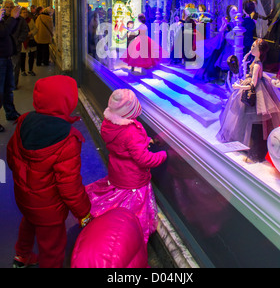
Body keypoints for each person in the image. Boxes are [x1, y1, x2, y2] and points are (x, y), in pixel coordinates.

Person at [7, 75, 91, 268]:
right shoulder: (68, 139)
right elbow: (69, 186)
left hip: (25, 198)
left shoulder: (23, 122)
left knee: (28, 223)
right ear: (67, 102)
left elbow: (11, 157)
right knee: (52, 248)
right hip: (49, 209)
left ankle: (22, 256)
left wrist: (25, 183)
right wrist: (83, 213)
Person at [86, 89, 167, 244]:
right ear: (130, 112)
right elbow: (143, 159)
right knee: (132, 210)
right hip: (133, 179)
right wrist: (162, 155)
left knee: (118, 197)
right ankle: (127, 232)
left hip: (117, 170)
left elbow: (125, 146)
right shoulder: (130, 131)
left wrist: (145, 141)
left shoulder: (109, 123)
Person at [217, 39, 280, 162]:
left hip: (256, 92)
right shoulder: (255, 61)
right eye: (252, 45)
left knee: (253, 120)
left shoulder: (257, 64)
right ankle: (248, 145)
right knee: (247, 120)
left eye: (254, 46)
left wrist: (239, 87)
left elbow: (253, 84)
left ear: (260, 51)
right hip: (254, 85)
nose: (252, 48)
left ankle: (255, 150)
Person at [0, 5, 21, 131]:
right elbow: (3, 33)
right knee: (0, 90)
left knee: (8, 87)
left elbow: (9, 31)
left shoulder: (3, 20)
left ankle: (10, 112)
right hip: (0, 60)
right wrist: (12, 18)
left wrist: (14, 18)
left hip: (5, 58)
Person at [3, 1, 29, 89]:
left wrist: (18, 40)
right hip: (3, 48)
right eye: (7, 7)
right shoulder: (2, 19)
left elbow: (25, 31)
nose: (9, 9)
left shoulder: (20, 19)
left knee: (15, 66)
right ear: (4, 8)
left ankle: (13, 84)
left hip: (15, 47)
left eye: (11, 7)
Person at [20, 8, 38, 76]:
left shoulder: (30, 20)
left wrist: (31, 33)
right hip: (22, 41)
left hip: (30, 40)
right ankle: (23, 70)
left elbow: (35, 29)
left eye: (26, 12)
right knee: (22, 56)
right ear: (21, 13)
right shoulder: (18, 21)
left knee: (31, 56)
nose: (25, 13)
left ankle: (30, 70)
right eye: (24, 12)